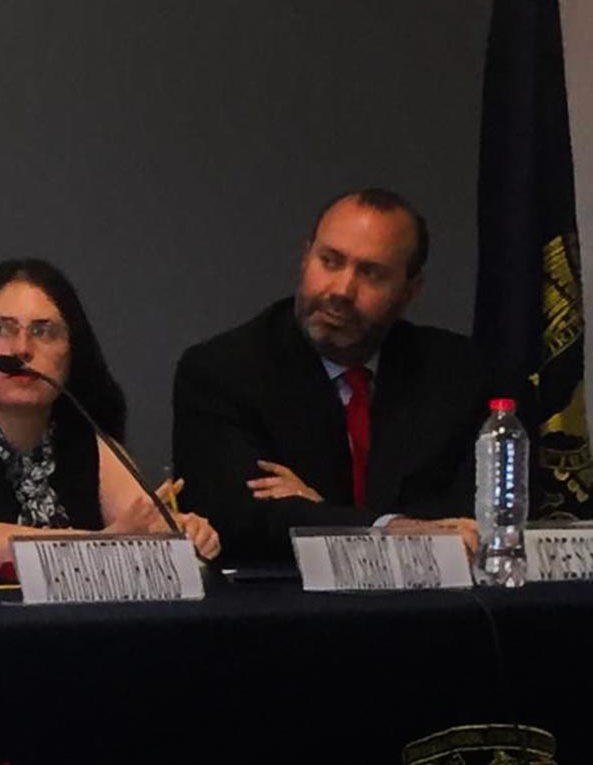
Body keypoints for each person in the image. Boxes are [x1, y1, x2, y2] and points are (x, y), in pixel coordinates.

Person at [172, 188, 484, 564]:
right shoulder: (225, 370)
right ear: (306, 258)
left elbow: (471, 517)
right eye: (330, 261)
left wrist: (320, 510)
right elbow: (242, 520)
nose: (341, 290)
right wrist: (386, 527)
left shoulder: (455, 373)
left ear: (411, 290)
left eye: (371, 273)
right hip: (284, 612)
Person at [0, 259, 221, 567]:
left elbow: (142, 524)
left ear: (71, 357)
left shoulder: (90, 444)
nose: (22, 348)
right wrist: (104, 542)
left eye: (43, 331)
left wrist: (181, 532)